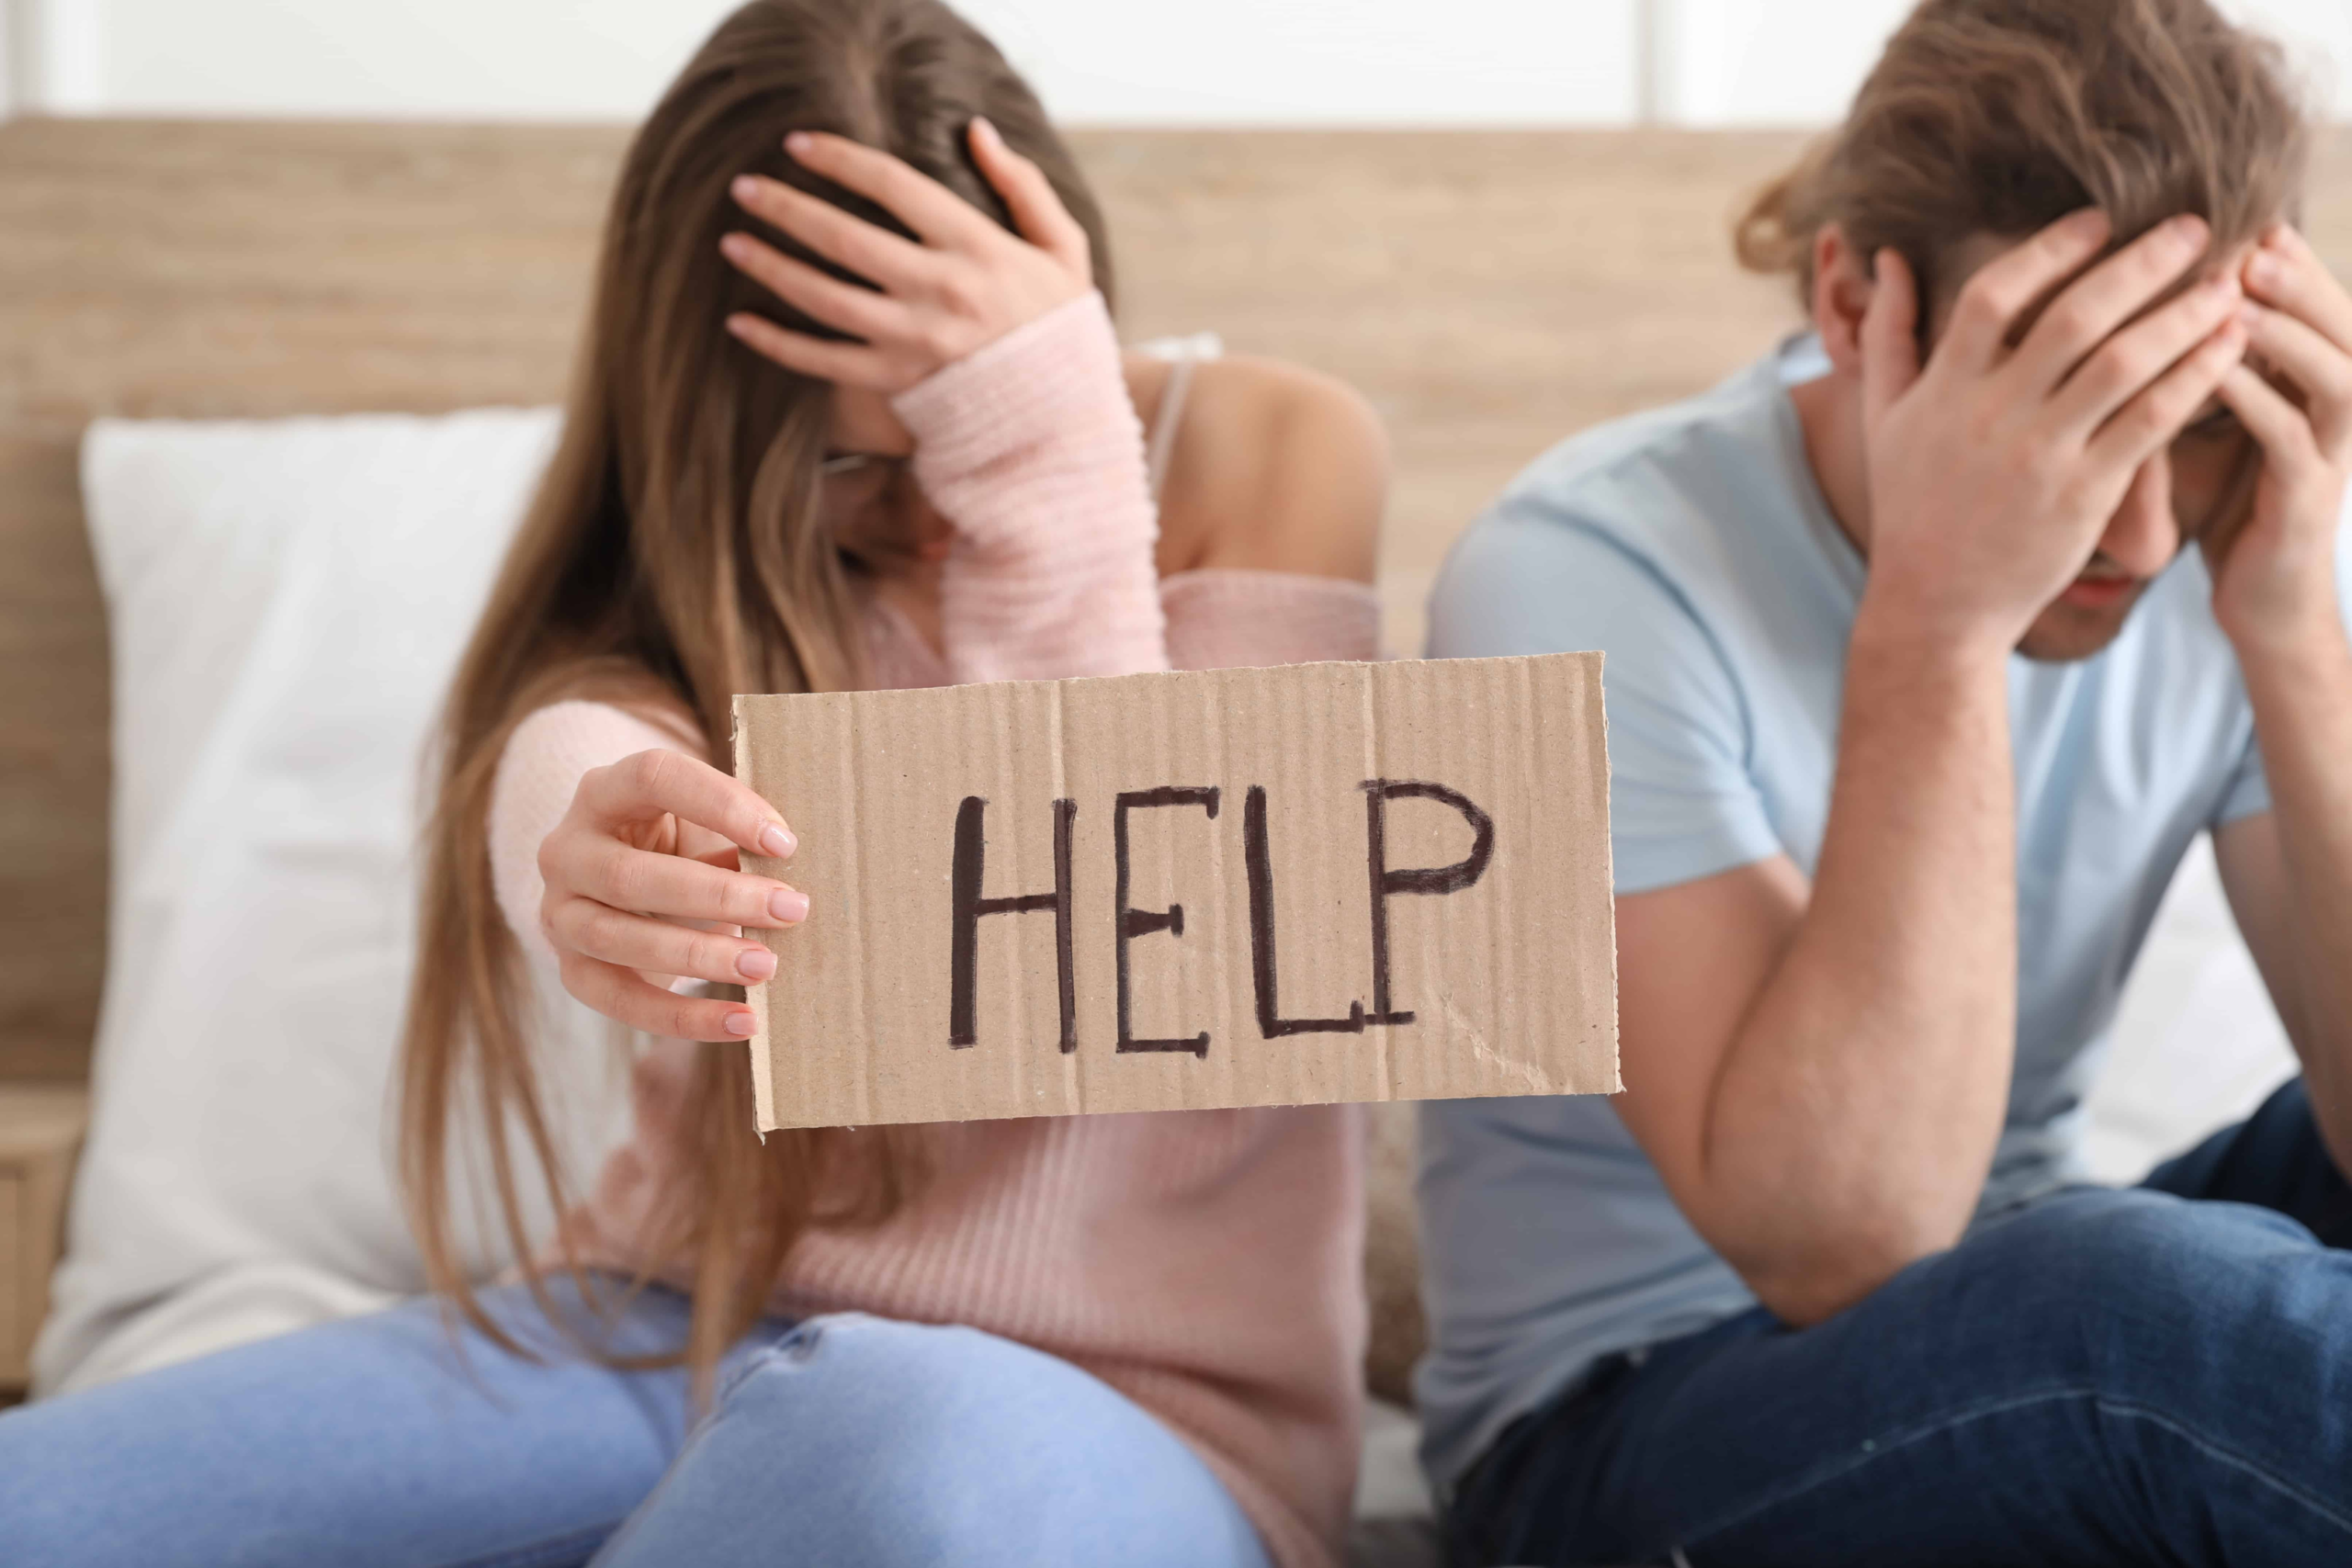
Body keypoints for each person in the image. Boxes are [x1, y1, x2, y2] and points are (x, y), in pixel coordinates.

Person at [0, 3, 1388, 1564]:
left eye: (960, 428)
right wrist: (572, 841)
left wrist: (1047, 448)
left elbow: (1138, 949)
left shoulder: (1275, 450)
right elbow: (591, 732)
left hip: (1130, 1415)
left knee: (889, 1439)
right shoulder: (695, 570)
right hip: (673, 1329)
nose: (931, 515)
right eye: (847, 466)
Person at [1417, 1, 2352, 1562]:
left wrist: (2291, 630)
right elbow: (1844, 1241)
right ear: (1857, 296)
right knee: (2145, 1316)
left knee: (2161, 1270)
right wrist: (1939, 618)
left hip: (2017, 1289)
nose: (2132, 539)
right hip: (1625, 1421)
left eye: (2183, 425)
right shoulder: (1578, 573)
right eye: (2063, 417)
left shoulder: (2239, 536)